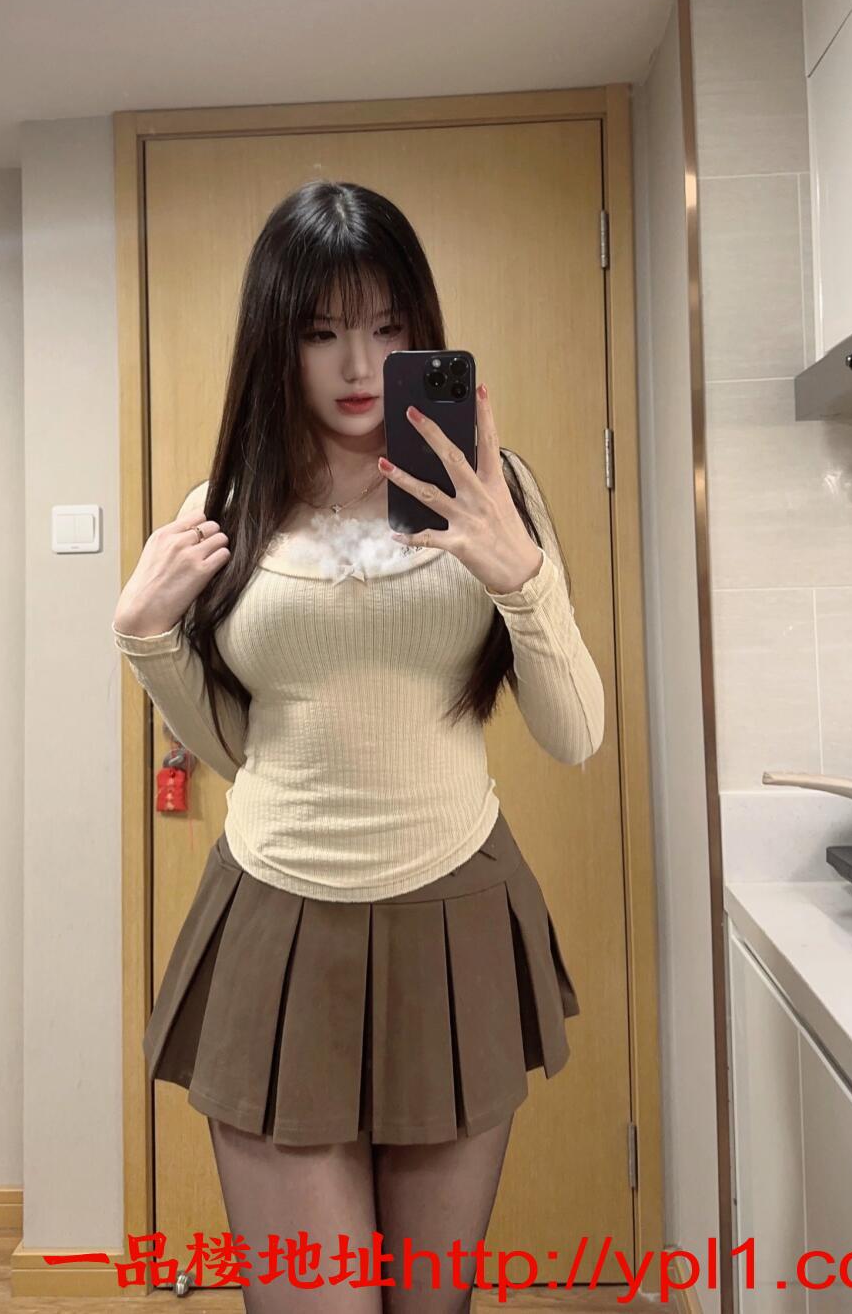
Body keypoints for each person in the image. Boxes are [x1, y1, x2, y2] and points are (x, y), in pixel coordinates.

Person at [112, 180, 604, 1312]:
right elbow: (241, 746)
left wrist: (521, 577)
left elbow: (574, 733)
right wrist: (145, 639)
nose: (356, 364)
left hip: (455, 914)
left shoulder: (494, 492)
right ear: (273, 340)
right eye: (321, 331)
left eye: (387, 328)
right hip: (274, 922)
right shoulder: (225, 506)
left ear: (422, 332)